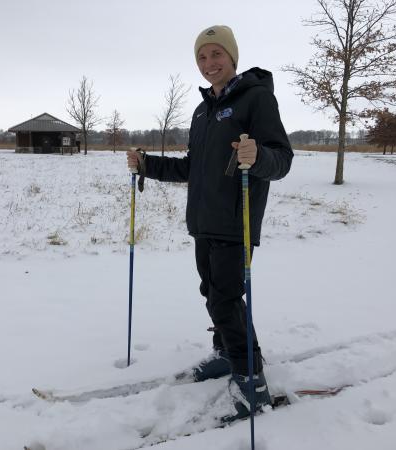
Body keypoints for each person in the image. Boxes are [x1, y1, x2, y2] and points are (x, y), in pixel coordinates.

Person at [126, 25, 293, 417]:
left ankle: (252, 380)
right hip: (203, 221)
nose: (209, 63)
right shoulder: (203, 111)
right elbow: (192, 169)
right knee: (214, 294)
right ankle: (228, 354)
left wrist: (258, 156)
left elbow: (280, 159)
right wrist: (147, 165)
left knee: (226, 300)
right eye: (202, 57)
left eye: (216, 54)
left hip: (237, 222)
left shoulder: (257, 99)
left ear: (232, 57)